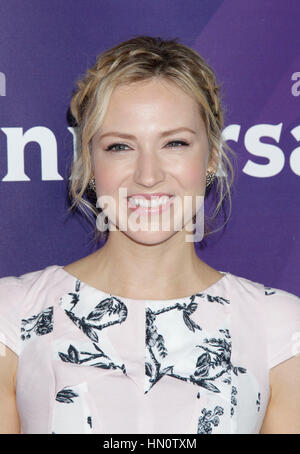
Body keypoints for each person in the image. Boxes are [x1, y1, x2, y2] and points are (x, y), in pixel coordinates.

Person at [0, 35, 299, 435]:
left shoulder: (280, 328)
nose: (148, 176)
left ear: (210, 156)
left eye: (174, 143)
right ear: (89, 163)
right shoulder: (12, 316)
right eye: (120, 147)